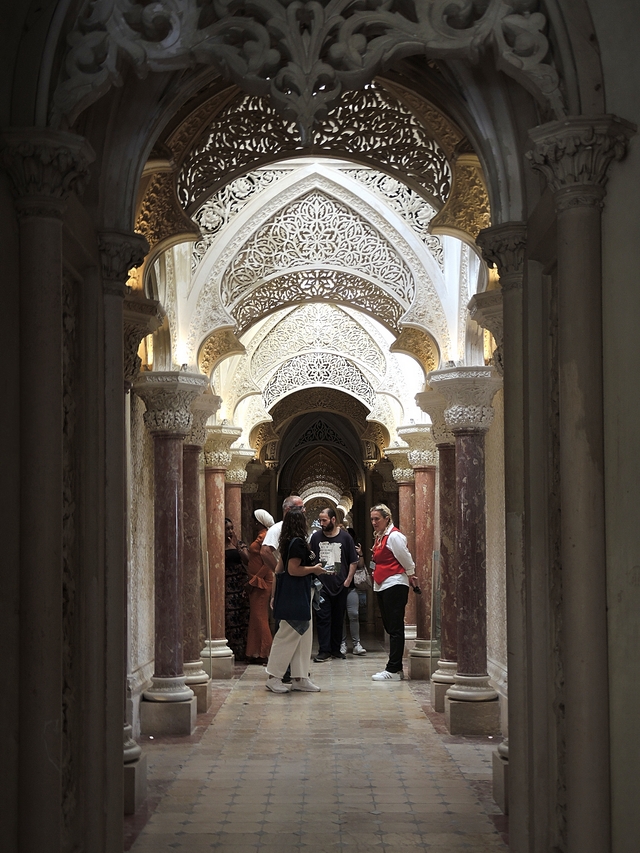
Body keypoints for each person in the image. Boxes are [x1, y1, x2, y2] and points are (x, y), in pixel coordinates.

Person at [265, 507, 328, 694]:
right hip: (296, 594)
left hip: (295, 594)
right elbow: (293, 570)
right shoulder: (298, 543)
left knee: (303, 636)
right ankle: (273, 677)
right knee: (288, 635)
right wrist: (314, 569)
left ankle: (300, 677)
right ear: (301, 524)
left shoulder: (288, 543)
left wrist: (275, 595)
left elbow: (278, 570)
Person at [369, 503, 419, 681]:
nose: (374, 522)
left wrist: (411, 574)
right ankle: (395, 667)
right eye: (372, 519)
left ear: (387, 518)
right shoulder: (380, 536)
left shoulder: (394, 536)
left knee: (395, 626)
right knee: (390, 626)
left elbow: (405, 557)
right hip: (382, 584)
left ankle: (394, 669)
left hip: (395, 583)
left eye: (377, 519)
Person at [309, 507, 358, 663]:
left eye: (324, 520)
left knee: (338, 618)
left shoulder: (345, 538)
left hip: (340, 584)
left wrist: (348, 580)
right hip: (321, 585)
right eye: (320, 520)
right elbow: (311, 558)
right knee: (323, 618)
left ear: (333, 519)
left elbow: (353, 560)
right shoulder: (316, 537)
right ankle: (324, 650)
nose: (321, 523)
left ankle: (336, 649)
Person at [245, 509, 276, 664]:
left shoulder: (265, 537)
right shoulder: (261, 537)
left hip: (262, 582)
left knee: (260, 617)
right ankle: (255, 652)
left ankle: (266, 653)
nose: (251, 523)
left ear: (258, 522)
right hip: (257, 580)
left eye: (253, 520)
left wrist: (255, 580)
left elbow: (267, 563)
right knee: (255, 618)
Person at [224, 517, 250, 661]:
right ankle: (233, 650)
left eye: (231, 528)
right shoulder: (218, 545)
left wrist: (237, 546)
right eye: (227, 528)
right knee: (231, 618)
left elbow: (248, 560)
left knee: (243, 616)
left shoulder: (239, 543)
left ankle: (244, 651)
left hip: (240, 583)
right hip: (228, 585)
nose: (230, 531)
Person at [340, 528, 367, 656]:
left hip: (351, 587)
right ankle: (342, 643)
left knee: (354, 614)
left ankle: (357, 644)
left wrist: (360, 553)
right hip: (338, 588)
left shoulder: (353, 549)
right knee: (340, 616)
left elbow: (361, 565)